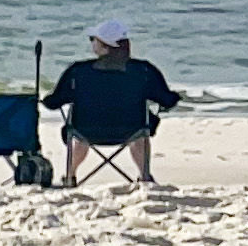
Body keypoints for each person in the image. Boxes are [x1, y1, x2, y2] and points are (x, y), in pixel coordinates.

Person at [44, 18, 177, 187]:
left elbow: (55, 101)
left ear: (104, 46)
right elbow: (167, 100)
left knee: (78, 133)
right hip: (129, 130)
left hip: (86, 130)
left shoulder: (78, 71)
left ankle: (70, 176)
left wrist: (46, 100)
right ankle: (144, 176)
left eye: (93, 39)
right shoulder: (143, 70)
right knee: (141, 131)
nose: (92, 43)